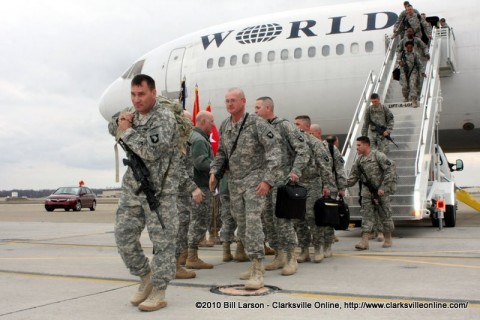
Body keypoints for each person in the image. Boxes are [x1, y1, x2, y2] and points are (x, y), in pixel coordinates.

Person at [107, 74, 179, 312]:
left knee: (163, 244)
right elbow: (111, 126)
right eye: (133, 94)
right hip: (133, 188)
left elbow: (150, 151)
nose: (136, 100)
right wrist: (120, 119)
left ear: (153, 93)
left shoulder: (164, 118)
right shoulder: (133, 113)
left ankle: (159, 290)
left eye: (141, 94)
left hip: (160, 192)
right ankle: (145, 276)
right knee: (123, 237)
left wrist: (126, 130)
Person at [209, 88, 282, 290]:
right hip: (235, 183)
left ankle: (258, 269)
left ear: (243, 101)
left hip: (255, 181)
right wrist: (214, 172)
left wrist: (268, 180)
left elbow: (274, 151)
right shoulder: (225, 125)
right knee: (241, 224)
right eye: (227, 101)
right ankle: (253, 264)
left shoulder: (256, 123)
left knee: (252, 223)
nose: (229, 104)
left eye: (233, 100)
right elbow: (222, 152)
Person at [254, 97, 310, 276]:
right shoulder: (259, 127)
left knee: (283, 221)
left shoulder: (285, 126)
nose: (255, 111)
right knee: (268, 221)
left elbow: (303, 150)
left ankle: (291, 258)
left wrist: (295, 172)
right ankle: (278, 254)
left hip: (282, 183)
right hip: (266, 182)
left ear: (268, 107)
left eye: (258, 107)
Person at [293, 115, 334, 264]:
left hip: (313, 183)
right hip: (297, 185)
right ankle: (304, 250)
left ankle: (318, 247)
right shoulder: (293, 143)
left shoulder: (315, 143)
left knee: (311, 215)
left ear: (306, 127)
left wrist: (327, 185)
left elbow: (325, 166)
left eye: (297, 124)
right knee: (298, 218)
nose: (294, 126)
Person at [346, 136, 396, 250]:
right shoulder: (359, 161)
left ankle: (388, 237)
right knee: (366, 215)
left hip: (381, 192)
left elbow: (390, 170)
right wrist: (339, 185)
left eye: (359, 145)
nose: (357, 148)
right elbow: (352, 178)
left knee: (385, 214)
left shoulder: (378, 156)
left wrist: (383, 187)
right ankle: (364, 241)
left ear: (366, 145)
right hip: (366, 192)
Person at [175, 110, 203, 279]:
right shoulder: (175, 142)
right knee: (178, 226)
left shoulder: (186, 142)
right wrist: (193, 188)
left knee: (182, 224)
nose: (190, 125)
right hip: (176, 192)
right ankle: (175, 265)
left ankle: (178, 260)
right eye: (186, 121)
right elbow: (178, 169)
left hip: (182, 192)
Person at [185, 111, 216, 270]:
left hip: (197, 185)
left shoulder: (194, 137)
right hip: (200, 187)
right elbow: (200, 162)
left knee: (194, 221)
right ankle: (192, 256)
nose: (213, 125)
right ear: (203, 121)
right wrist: (218, 165)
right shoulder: (198, 140)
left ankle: (185, 255)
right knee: (199, 221)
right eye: (211, 121)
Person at [311, 126, 347, 255]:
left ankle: (327, 245)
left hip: (329, 188)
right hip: (312, 188)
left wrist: (342, 187)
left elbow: (339, 168)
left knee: (328, 218)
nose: (309, 135)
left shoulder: (331, 148)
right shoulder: (308, 146)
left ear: (318, 133)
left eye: (311, 133)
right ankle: (317, 245)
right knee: (314, 218)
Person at [398, 41, 425, 107]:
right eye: (408, 47)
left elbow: (420, 64)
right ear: (406, 47)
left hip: (413, 71)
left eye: (410, 47)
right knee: (404, 86)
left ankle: (413, 100)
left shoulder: (415, 54)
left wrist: (422, 72)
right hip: (404, 72)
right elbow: (398, 60)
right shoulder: (402, 54)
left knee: (412, 84)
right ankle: (406, 97)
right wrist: (400, 62)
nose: (409, 48)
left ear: (412, 47)